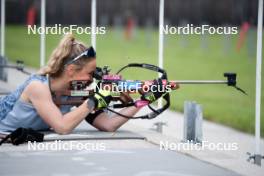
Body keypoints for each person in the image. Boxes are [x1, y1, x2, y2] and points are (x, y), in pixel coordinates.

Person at [0, 34, 165, 135]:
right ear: (71, 70)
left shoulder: (76, 92)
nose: (92, 78)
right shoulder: (37, 87)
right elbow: (62, 128)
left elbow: (108, 125)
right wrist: (93, 101)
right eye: (89, 73)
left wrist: (145, 100)